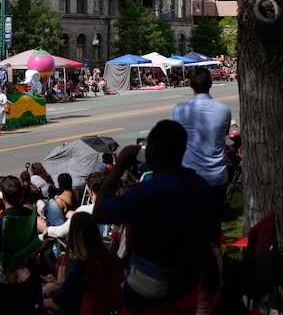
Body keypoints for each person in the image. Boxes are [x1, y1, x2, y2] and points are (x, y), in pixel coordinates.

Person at [93, 120, 221, 314]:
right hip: (186, 292)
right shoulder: (198, 186)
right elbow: (214, 233)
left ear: (150, 151)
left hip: (145, 298)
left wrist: (119, 167)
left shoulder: (143, 193)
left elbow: (99, 213)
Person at [172, 67, 232, 213]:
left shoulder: (180, 109)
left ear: (190, 84)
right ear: (210, 84)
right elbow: (222, 137)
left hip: (191, 175)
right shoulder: (224, 109)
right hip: (217, 175)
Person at [43, 212, 123, 314]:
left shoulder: (82, 263)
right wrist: (60, 284)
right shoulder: (109, 257)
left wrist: (35, 301)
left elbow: (58, 305)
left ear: (73, 235)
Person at [44, 172, 106, 239]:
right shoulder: (113, 207)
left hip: (70, 235)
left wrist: (48, 229)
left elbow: (61, 232)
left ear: (90, 191)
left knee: (50, 203)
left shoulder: (84, 210)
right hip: (93, 237)